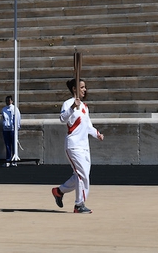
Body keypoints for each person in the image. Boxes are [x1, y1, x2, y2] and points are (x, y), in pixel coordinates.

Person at [52, 78, 104, 214]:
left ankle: (59, 191)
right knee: (83, 175)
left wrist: (97, 134)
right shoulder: (68, 103)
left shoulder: (85, 107)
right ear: (75, 89)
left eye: (85, 87)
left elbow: (88, 126)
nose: (84, 90)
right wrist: (72, 108)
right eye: (82, 87)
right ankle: (79, 205)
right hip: (73, 145)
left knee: (80, 175)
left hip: (84, 146)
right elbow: (62, 119)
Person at [1, 95, 21, 166]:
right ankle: (8, 159)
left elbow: (18, 118)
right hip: (6, 129)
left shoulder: (15, 109)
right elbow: (3, 118)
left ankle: (14, 159)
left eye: (9, 100)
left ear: (12, 101)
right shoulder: (3, 109)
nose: (7, 102)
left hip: (12, 129)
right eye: (6, 101)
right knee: (7, 145)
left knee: (14, 144)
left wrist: (17, 127)